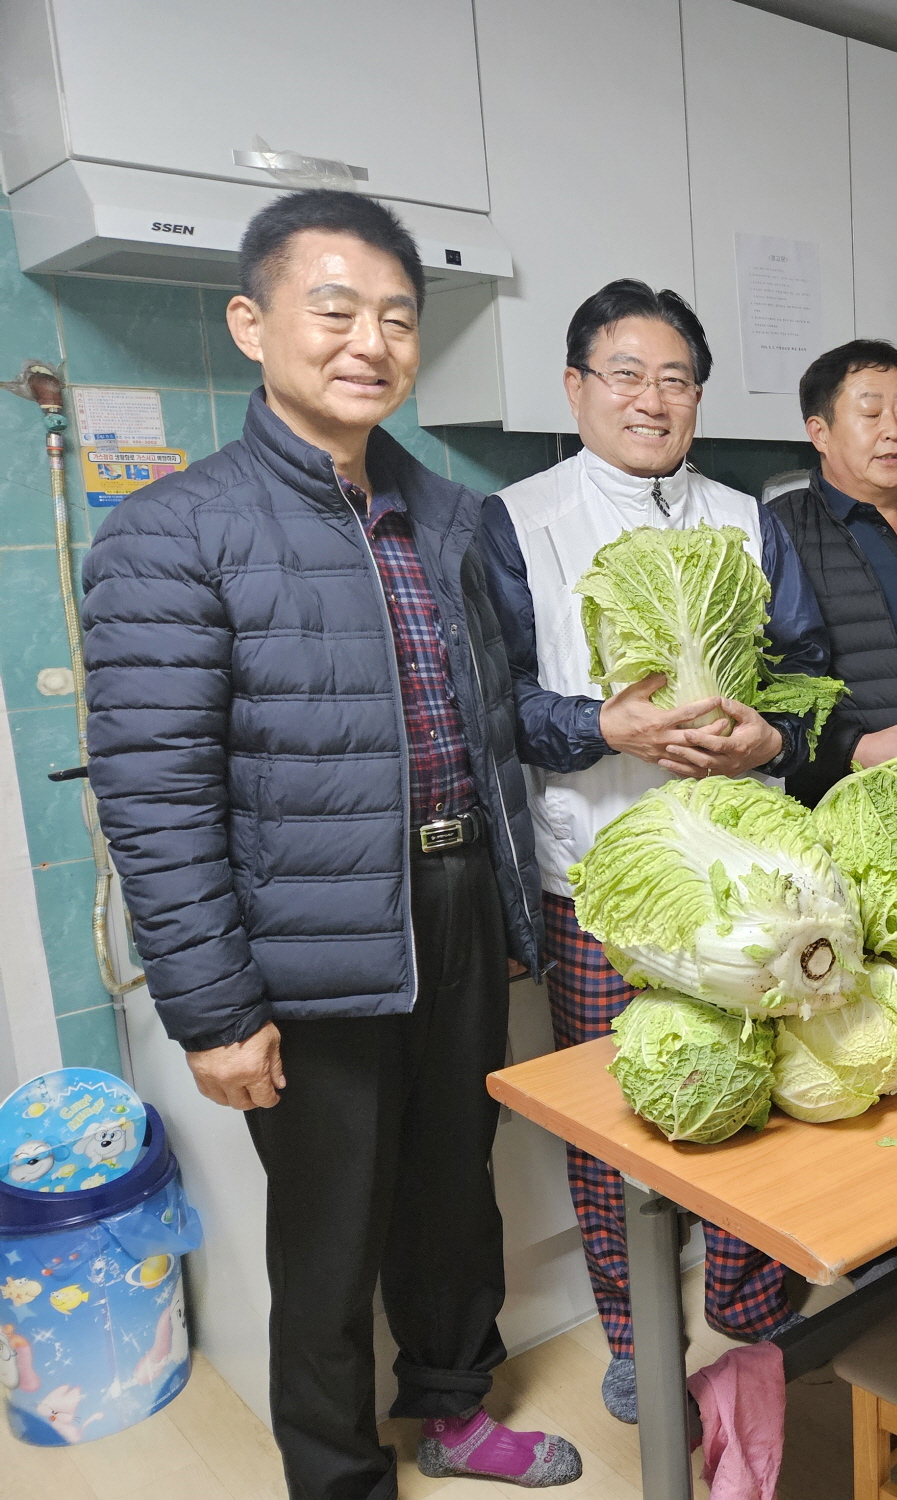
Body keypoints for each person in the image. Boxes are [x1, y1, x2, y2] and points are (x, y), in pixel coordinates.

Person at [81, 191, 580, 1495]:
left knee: (453, 1190)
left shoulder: (451, 517)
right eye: (335, 309)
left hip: (456, 901)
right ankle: (338, 1475)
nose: (370, 342)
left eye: (397, 318)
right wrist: (214, 1010)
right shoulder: (172, 531)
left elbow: (494, 717)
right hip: (306, 940)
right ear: (253, 325)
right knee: (328, 1236)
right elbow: (154, 794)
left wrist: (521, 867)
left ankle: (455, 1410)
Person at [481, 283, 833, 1420]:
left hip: (742, 874)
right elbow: (498, 704)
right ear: (575, 387)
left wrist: (770, 735)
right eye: (624, 374)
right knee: (617, 1119)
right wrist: (606, 726)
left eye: (675, 378)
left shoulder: (747, 518)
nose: (651, 398)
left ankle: (749, 1301)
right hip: (599, 878)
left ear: (698, 398)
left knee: (759, 1090)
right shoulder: (516, 521)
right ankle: (636, 1335)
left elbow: (810, 679)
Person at [765, 339, 897, 806]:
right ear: (820, 433)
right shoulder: (779, 531)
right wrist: (851, 749)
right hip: (846, 808)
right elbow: (758, 686)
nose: (893, 431)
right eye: (871, 414)